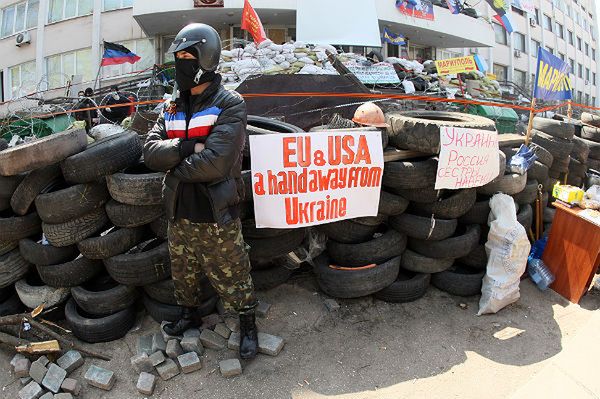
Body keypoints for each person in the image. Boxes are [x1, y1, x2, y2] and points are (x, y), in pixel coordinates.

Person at [143, 23, 258, 359]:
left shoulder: (230, 103)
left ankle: (247, 321)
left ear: (206, 58)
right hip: (179, 209)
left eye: (188, 56)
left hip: (216, 213)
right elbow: (149, 151)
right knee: (184, 273)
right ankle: (189, 314)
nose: (181, 63)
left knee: (234, 272)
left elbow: (216, 164)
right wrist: (188, 147)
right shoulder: (172, 105)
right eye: (178, 57)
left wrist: (172, 162)